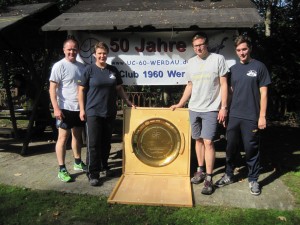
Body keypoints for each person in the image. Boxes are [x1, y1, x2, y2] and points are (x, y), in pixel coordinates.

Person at [171, 32, 228, 195]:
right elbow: (190, 85)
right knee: (198, 140)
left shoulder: (218, 59)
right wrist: (181, 103)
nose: (198, 48)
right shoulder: (190, 62)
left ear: (206, 44)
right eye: (196, 46)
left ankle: (209, 178)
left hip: (211, 108)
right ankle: (200, 170)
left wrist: (223, 107)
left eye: (201, 44)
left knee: (209, 142)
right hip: (194, 108)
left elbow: (224, 84)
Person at [215, 35, 271, 196]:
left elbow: (264, 94)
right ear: (236, 51)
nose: (242, 52)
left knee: (251, 149)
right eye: (239, 50)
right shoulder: (233, 70)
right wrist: (224, 110)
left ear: (250, 49)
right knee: (230, 148)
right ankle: (229, 174)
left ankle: (253, 180)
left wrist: (262, 116)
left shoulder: (259, 67)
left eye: (244, 49)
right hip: (234, 116)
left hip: (251, 117)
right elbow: (230, 93)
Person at [78, 42, 135, 186]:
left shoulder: (113, 70)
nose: (102, 56)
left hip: (109, 112)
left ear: (107, 54)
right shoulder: (89, 70)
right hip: (93, 113)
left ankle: (104, 166)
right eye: (99, 53)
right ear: (94, 55)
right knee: (93, 144)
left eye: (104, 53)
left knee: (106, 143)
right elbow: (81, 90)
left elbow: (119, 88)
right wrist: (82, 109)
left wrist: (127, 101)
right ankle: (93, 173)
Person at [49, 37, 87, 182]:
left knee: (77, 136)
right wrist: (56, 108)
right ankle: (62, 169)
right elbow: (52, 89)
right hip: (64, 108)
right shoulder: (59, 66)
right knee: (62, 138)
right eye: (69, 49)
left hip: (79, 108)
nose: (72, 52)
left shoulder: (82, 66)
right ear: (64, 50)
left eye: (74, 49)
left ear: (77, 50)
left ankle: (78, 162)